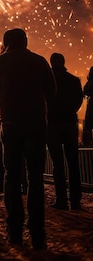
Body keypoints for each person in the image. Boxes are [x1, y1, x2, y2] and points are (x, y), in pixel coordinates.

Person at [0, 28, 56, 250]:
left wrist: (6, 108)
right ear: (25, 41)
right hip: (36, 124)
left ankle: (14, 230)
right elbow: (51, 92)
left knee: (11, 176)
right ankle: (38, 233)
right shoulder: (39, 61)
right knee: (35, 177)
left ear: (5, 42)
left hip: (9, 124)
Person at [48, 53, 83, 210]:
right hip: (69, 123)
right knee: (73, 163)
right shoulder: (74, 80)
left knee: (58, 163)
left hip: (53, 124)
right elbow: (78, 101)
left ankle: (61, 200)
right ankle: (75, 200)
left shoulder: (47, 80)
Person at [82, 67, 93, 146]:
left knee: (88, 126)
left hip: (92, 107)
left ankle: (87, 143)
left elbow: (85, 90)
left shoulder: (91, 82)